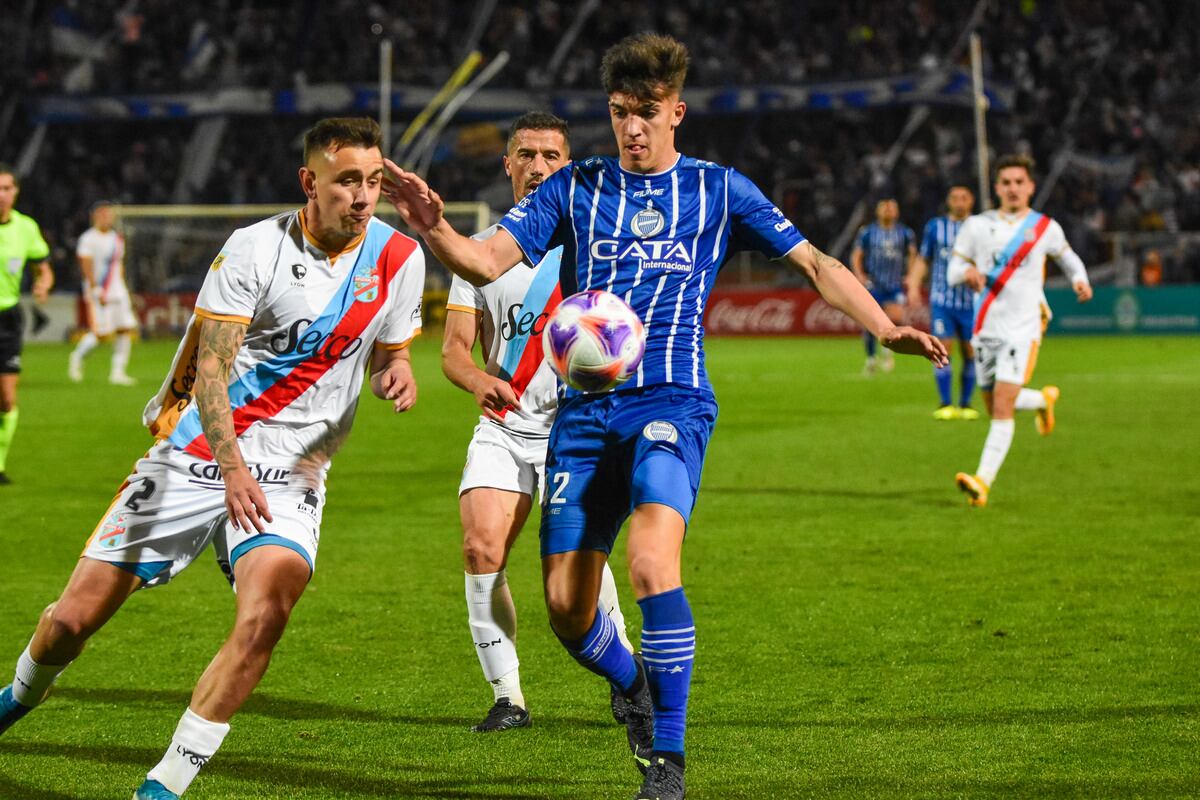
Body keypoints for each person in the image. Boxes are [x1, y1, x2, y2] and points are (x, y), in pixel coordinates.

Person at [383, 33, 946, 800]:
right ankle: (636, 682)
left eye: (647, 112)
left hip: (670, 404)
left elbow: (814, 262)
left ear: (676, 111)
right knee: (566, 613)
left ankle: (667, 763)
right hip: (581, 418)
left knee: (651, 562)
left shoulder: (719, 188)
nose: (632, 128)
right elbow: (483, 262)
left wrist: (884, 326)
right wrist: (431, 225)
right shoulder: (574, 186)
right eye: (620, 113)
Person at [0, 117, 425, 800]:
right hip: (202, 452)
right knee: (73, 621)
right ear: (309, 182)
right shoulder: (253, 248)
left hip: (294, 471)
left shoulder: (401, 258)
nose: (364, 196)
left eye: (374, 181)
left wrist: (397, 369)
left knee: (268, 612)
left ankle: (164, 785)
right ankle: (20, 694)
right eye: (348, 180)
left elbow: (393, 347)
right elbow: (212, 372)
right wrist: (230, 472)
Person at [442, 111, 633, 733]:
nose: (538, 167)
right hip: (504, 425)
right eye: (526, 155)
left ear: (568, 166)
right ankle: (509, 698)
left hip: (576, 432)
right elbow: (454, 351)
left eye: (552, 157)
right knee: (480, 548)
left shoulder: (598, 250)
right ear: (508, 164)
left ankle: (626, 677)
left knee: (583, 569)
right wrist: (478, 381)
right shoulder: (479, 252)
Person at [949, 154, 1091, 508]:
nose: (1013, 188)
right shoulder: (977, 226)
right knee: (994, 401)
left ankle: (982, 482)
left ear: (1030, 186)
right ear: (996, 187)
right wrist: (965, 274)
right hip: (985, 326)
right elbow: (953, 267)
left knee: (1001, 407)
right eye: (1006, 182)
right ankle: (1043, 400)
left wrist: (1079, 279)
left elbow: (1067, 257)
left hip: (1024, 326)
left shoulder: (1044, 227)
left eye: (1019, 182)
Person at [0, 164, 54, 486]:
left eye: (7, 188)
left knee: (6, 400)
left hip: (7, 319)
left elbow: (42, 268)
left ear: (15, 192)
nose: (1, 196)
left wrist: (43, 284)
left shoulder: (26, 228)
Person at [908, 186, 980, 419]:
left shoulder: (980, 227)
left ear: (971, 201)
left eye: (964, 197)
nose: (959, 202)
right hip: (942, 300)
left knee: (970, 352)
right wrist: (913, 285)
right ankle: (945, 403)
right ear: (948, 202)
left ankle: (967, 404)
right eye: (955, 198)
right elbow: (923, 259)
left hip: (972, 302)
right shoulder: (936, 227)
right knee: (942, 349)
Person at [69, 201, 139, 385]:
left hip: (118, 290)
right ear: (95, 217)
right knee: (101, 334)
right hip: (99, 290)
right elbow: (85, 263)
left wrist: (123, 286)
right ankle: (77, 357)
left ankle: (118, 373)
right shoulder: (88, 238)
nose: (107, 218)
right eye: (103, 215)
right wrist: (94, 287)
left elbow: (119, 265)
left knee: (124, 329)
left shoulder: (117, 239)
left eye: (109, 215)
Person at [851, 198, 917, 375]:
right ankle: (871, 358)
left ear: (897, 211)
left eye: (891, 208)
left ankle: (887, 351)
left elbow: (912, 255)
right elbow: (856, 255)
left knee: (895, 318)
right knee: (870, 322)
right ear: (877, 211)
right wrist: (860, 274)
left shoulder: (905, 233)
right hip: (874, 283)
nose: (888, 210)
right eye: (884, 207)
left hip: (894, 284)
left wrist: (911, 275)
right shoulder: (868, 232)